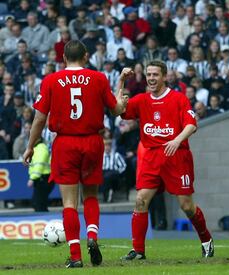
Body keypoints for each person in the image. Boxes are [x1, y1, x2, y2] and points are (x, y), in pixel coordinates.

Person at [22, 40, 128, 268]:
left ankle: (76, 255)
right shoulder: (98, 78)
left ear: (63, 59)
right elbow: (117, 110)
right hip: (92, 141)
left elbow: (39, 118)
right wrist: (121, 98)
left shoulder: (51, 80)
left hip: (65, 144)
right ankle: (92, 235)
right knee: (90, 195)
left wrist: (30, 146)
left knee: (69, 202)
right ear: (86, 56)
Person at [118, 61, 214, 260]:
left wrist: (177, 140)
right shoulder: (141, 100)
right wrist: (120, 81)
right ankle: (138, 250)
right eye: (148, 75)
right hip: (152, 157)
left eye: (155, 75)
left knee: (186, 206)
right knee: (140, 200)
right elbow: (117, 109)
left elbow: (191, 125)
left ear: (164, 77)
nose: (151, 78)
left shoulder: (178, 98)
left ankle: (206, 240)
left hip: (176, 156)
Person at [27, 136, 54, 212]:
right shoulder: (37, 148)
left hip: (43, 179)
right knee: (40, 203)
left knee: (38, 203)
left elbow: (39, 165)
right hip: (42, 179)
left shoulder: (40, 149)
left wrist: (32, 178)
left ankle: (43, 220)